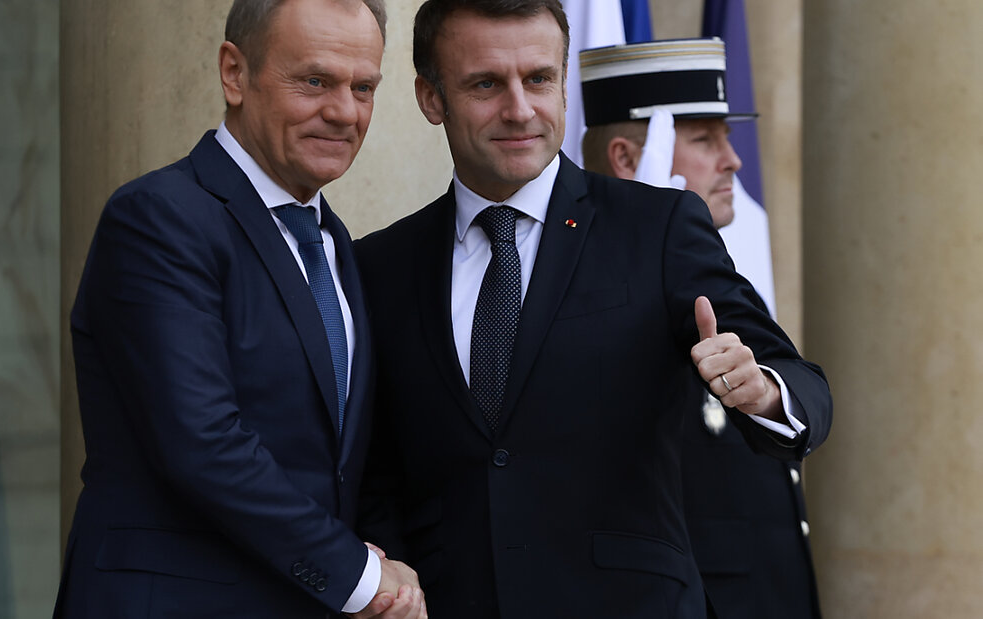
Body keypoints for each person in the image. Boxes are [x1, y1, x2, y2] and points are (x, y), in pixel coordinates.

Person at [354, 2, 831, 617]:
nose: (520, 109)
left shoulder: (656, 228)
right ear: (431, 97)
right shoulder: (379, 266)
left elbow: (799, 383)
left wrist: (761, 389)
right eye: (485, 84)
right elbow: (378, 469)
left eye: (539, 79)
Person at [53, 1, 426, 617]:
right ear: (234, 72)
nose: (344, 111)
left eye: (363, 87)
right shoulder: (159, 218)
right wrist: (362, 576)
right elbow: (203, 444)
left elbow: (341, 466)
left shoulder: (335, 247)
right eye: (314, 81)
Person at [579, 38, 822, 619]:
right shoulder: (597, 284)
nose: (733, 161)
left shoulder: (713, 275)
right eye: (705, 140)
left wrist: (765, 388)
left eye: (728, 137)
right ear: (628, 158)